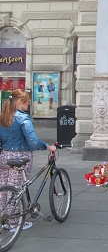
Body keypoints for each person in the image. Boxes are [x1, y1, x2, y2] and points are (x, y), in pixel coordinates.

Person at [0, 89, 56, 231]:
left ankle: (3, 216)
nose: (28, 104)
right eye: (27, 102)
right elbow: (32, 140)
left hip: (4, 156)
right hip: (20, 157)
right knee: (16, 189)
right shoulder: (22, 118)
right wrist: (47, 146)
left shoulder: (3, 116)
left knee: (4, 188)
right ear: (19, 102)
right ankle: (14, 221)